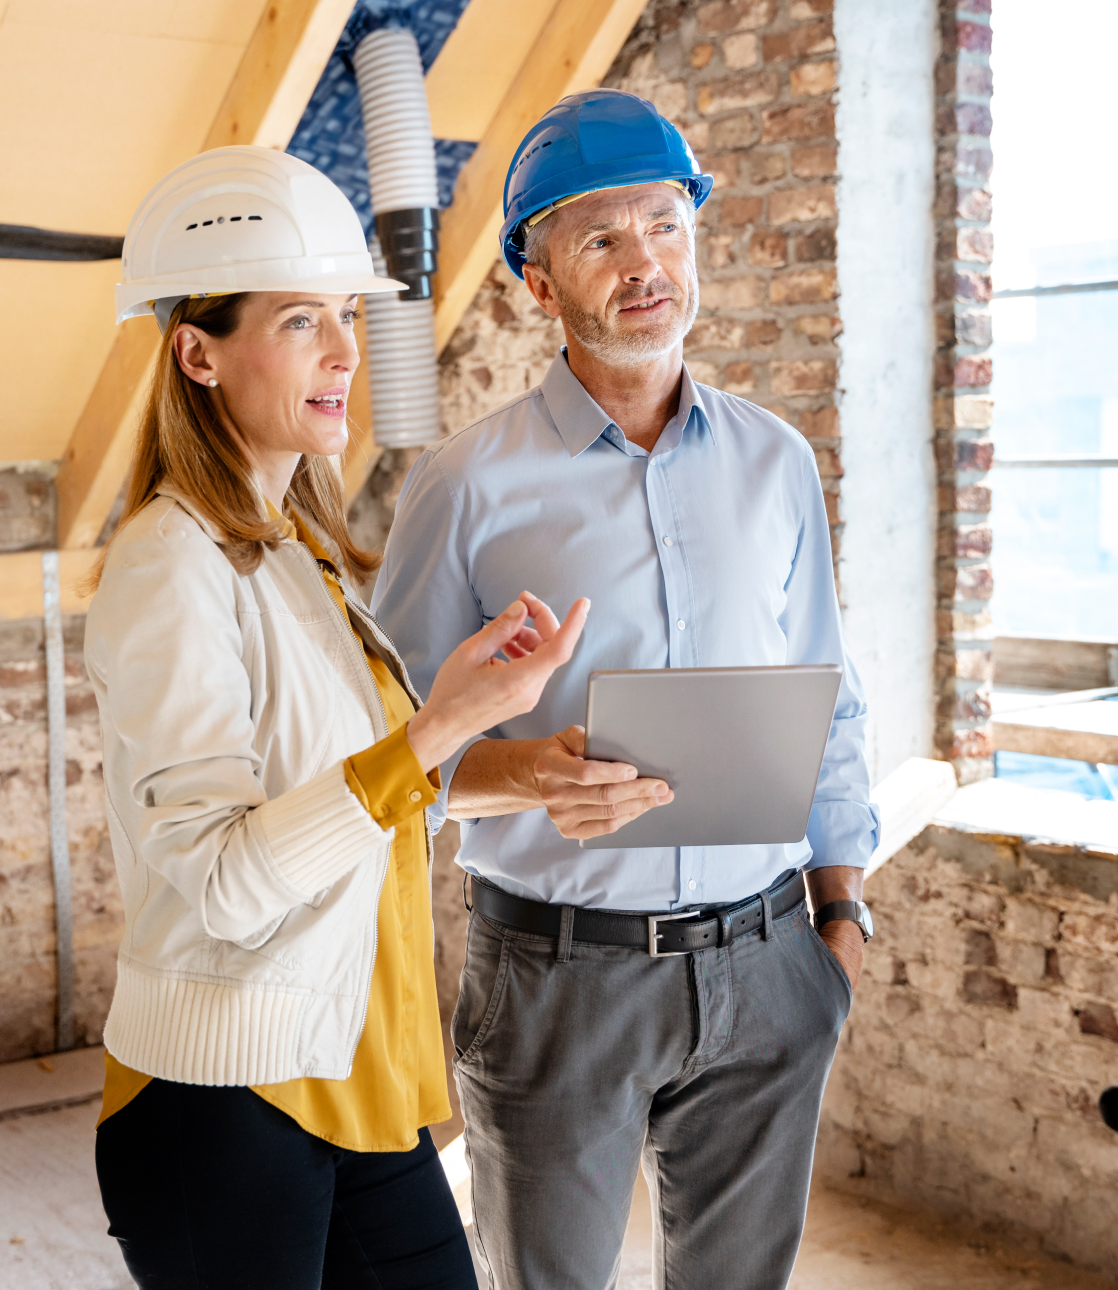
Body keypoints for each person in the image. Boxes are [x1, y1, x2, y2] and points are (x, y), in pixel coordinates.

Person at [372, 91, 882, 1290]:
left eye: (665, 224)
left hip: (768, 962)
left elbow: (833, 694)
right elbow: (386, 759)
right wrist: (530, 779)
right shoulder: (466, 487)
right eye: (600, 238)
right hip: (558, 978)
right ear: (537, 285)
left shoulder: (774, 461)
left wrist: (842, 920)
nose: (645, 262)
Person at [85, 145, 587, 1290]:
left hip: (355, 1070)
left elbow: (360, 802)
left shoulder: (300, 551)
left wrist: (518, 764)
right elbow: (224, 875)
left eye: (346, 317)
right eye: (302, 319)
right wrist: (435, 727)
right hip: (227, 1105)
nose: (345, 353)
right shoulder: (171, 566)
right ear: (196, 352)